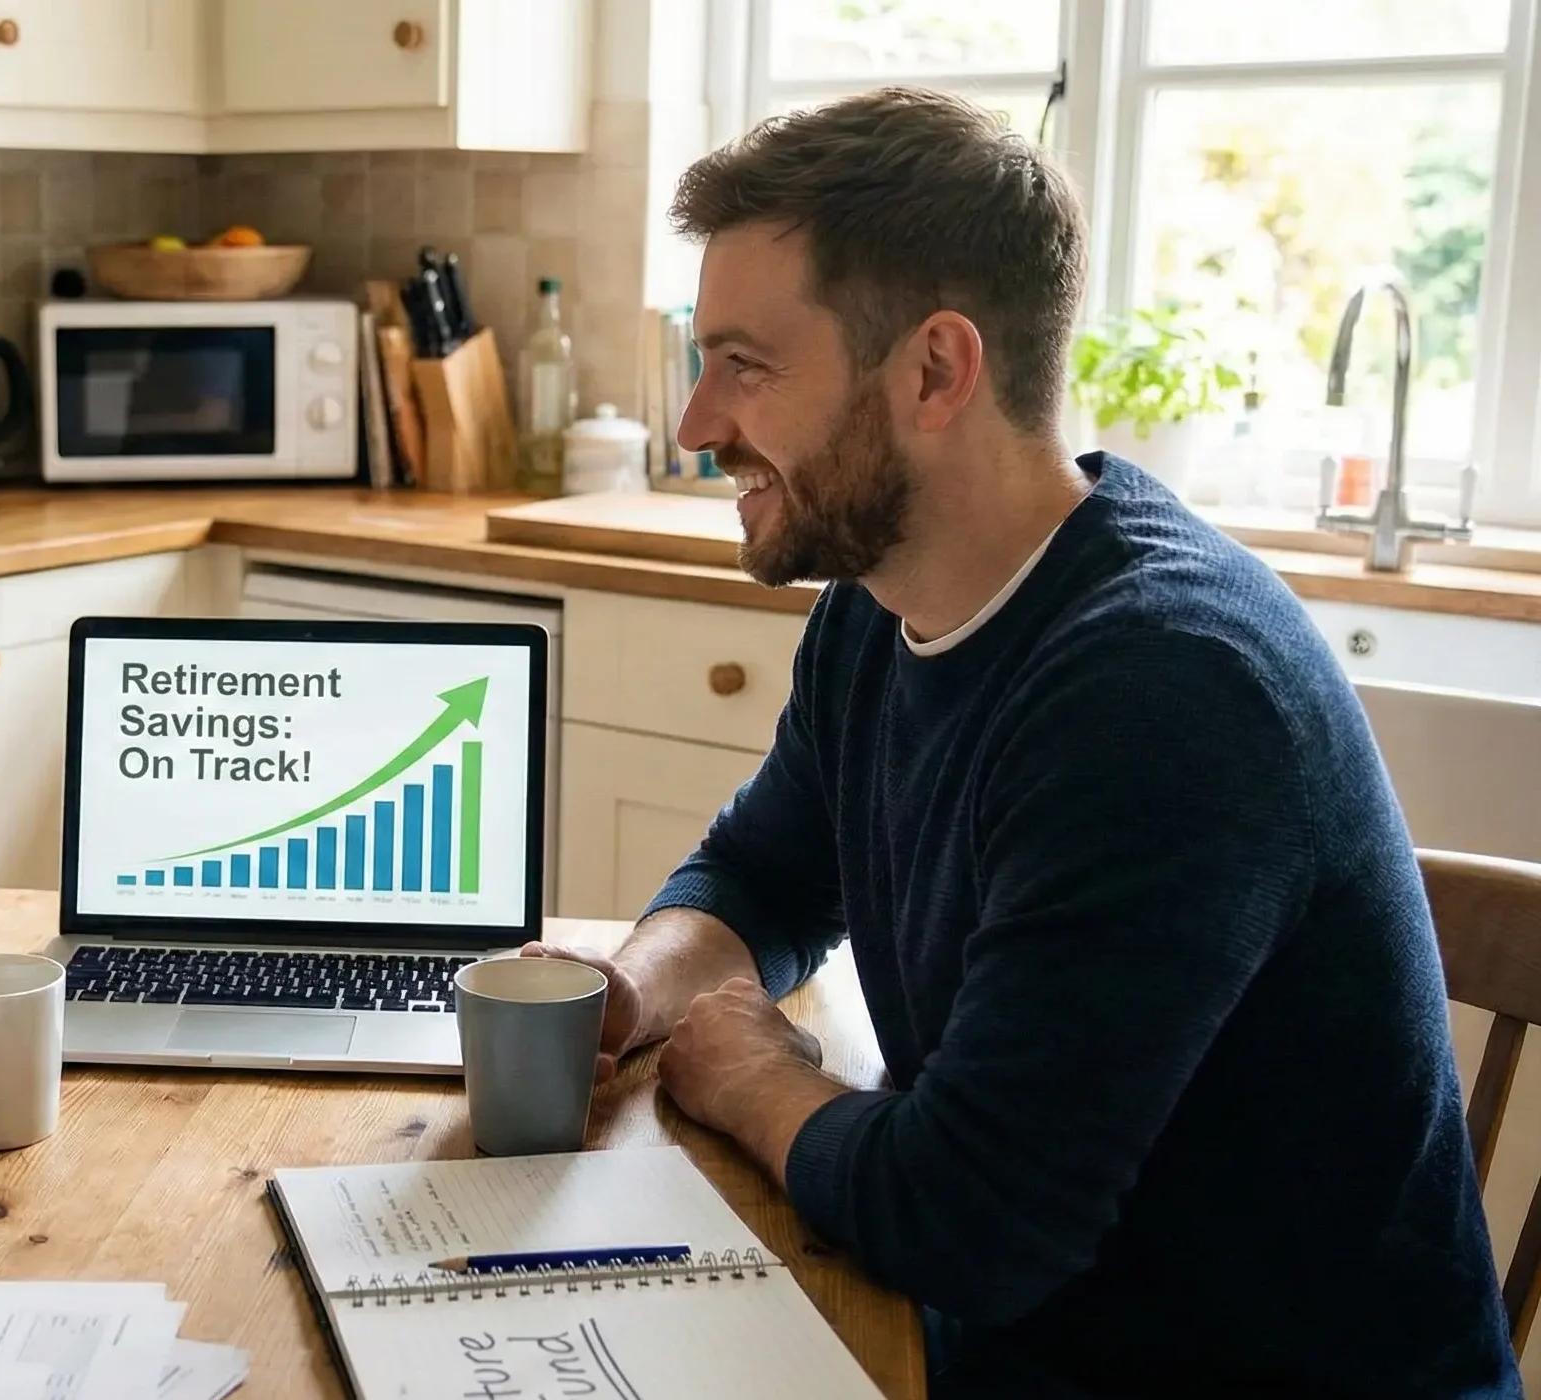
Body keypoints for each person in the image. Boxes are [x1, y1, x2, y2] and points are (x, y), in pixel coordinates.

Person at [528, 89, 1519, 1397]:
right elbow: (768, 872)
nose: (700, 423)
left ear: (936, 371)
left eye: (745, 365)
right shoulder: (878, 609)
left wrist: (758, 1080)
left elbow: (971, 1220)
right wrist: (633, 991)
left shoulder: (1163, 691)